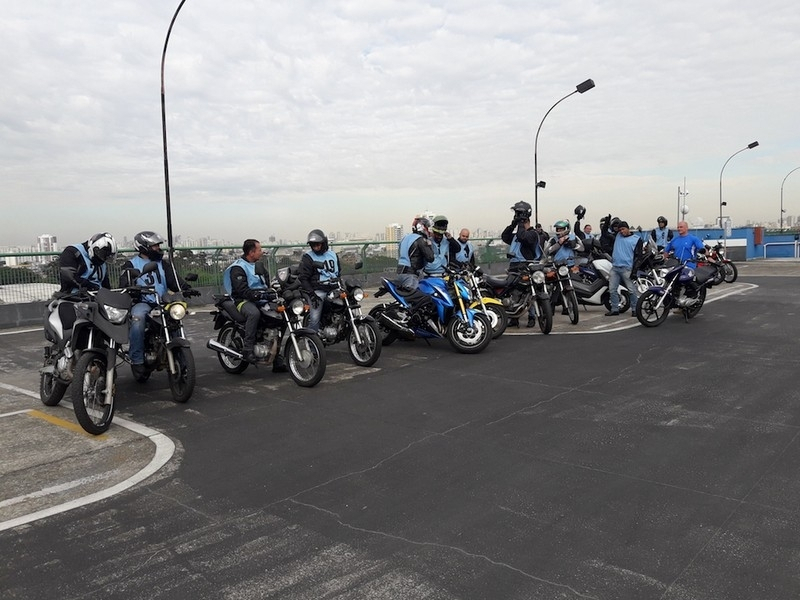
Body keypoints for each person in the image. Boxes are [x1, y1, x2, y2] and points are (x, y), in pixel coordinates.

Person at [119, 231, 197, 379]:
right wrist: (131, 289)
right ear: (144, 247)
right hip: (143, 302)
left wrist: (186, 288)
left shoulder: (163, 263)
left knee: (176, 319)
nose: (158, 249)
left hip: (162, 301)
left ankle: (183, 359)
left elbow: (174, 280)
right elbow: (124, 283)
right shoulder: (131, 264)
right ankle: (137, 361)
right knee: (138, 318)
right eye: (155, 246)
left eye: (158, 246)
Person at [222, 239, 285, 371]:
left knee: (281, 317)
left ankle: (276, 356)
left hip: (261, 299)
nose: (261, 252)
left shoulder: (258, 265)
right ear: (251, 252)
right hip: (243, 301)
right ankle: (248, 349)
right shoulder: (238, 267)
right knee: (254, 314)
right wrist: (255, 295)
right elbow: (241, 290)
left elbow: (266, 284)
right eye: (259, 250)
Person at [501, 201, 542, 327]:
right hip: (514, 265)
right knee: (512, 291)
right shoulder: (515, 235)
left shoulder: (533, 233)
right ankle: (514, 318)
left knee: (528, 292)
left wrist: (521, 223)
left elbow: (523, 237)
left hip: (525, 264)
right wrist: (513, 224)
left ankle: (531, 317)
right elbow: (505, 236)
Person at [298, 229, 340, 332]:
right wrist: (312, 295)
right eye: (313, 244)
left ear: (323, 242)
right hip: (318, 290)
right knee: (314, 319)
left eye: (318, 244)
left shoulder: (333, 255)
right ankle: (313, 344)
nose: (315, 246)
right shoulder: (308, 257)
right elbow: (303, 277)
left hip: (333, 288)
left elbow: (338, 272)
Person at [605, 221, 643, 317]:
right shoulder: (617, 236)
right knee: (612, 289)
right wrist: (606, 223)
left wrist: (634, 271)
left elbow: (639, 257)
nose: (621, 231)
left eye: (623, 229)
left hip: (627, 268)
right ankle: (615, 309)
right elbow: (604, 233)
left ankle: (635, 309)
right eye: (620, 230)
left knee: (631, 290)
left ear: (628, 228)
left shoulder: (636, 239)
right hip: (615, 267)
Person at [396, 216, 435, 291]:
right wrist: (429, 245)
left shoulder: (405, 237)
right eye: (427, 227)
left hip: (400, 272)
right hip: (410, 274)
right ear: (423, 228)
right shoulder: (420, 239)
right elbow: (430, 258)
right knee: (413, 299)